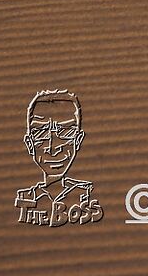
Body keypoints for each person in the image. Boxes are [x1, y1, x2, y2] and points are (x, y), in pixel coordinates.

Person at [15, 89, 102, 226]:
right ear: (29, 144)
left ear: (78, 140)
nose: (53, 148)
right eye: (41, 133)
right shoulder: (25, 197)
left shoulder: (86, 193)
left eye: (66, 132)